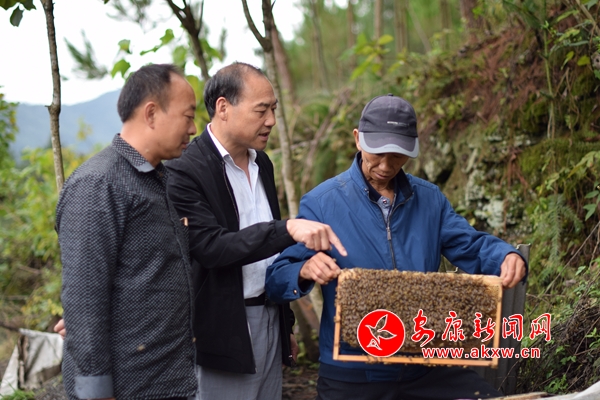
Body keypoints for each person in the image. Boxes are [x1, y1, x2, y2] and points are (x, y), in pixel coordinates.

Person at [265, 94, 527, 400]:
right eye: (378, 153)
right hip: (353, 373)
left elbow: (469, 244)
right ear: (358, 139)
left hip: (424, 365)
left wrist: (505, 255)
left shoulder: (429, 199)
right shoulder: (322, 203)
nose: (386, 166)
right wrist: (304, 269)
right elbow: (277, 277)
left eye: (398, 156)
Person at [164, 62, 346, 400]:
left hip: (269, 316)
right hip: (224, 328)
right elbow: (212, 247)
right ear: (223, 108)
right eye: (261, 110)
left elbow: (269, 260)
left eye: (273, 109)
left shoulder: (262, 163)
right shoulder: (185, 170)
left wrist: (285, 324)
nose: (271, 121)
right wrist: (287, 228)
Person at [55, 64, 198, 400]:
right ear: (151, 113)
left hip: (168, 378)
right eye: (188, 116)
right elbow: (84, 298)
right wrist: (96, 391)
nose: (193, 128)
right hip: (128, 386)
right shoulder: (98, 184)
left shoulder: (158, 179)